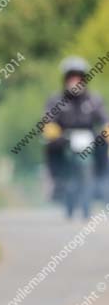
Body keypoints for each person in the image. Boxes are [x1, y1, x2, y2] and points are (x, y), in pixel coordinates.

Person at [43, 56, 109, 217]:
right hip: (64, 139)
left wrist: (105, 132)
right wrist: (53, 132)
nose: (75, 81)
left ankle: (102, 180)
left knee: (104, 147)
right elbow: (48, 120)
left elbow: (104, 120)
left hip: (89, 138)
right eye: (71, 77)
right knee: (50, 146)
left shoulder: (94, 100)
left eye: (78, 77)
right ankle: (56, 179)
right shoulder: (56, 100)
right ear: (65, 79)